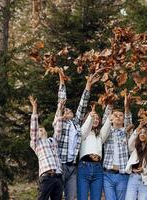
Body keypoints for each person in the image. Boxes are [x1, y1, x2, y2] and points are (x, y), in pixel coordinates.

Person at [53, 69, 99, 200]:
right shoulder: (59, 122)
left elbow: (83, 105)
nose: (69, 111)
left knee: (71, 196)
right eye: (66, 110)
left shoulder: (76, 124)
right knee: (56, 196)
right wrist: (62, 82)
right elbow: (61, 102)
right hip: (60, 165)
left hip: (72, 167)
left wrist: (88, 85)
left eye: (70, 110)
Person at [29, 96, 63, 200]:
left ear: (46, 132)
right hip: (46, 177)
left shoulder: (53, 141)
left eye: (42, 129)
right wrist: (34, 109)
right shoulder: (36, 143)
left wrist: (60, 110)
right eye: (39, 130)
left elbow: (58, 129)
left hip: (58, 176)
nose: (41, 131)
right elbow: (33, 129)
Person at [100, 91, 132, 200]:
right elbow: (105, 119)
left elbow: (128, 120)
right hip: (107, 174)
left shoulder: (127, 132)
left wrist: (126, 107)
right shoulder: (108, 131)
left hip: (122, 174)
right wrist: (110, 103)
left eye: (121, 115)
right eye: (116, 115)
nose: (118, 117)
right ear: (112, 118)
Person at [77, 104, 104, 200]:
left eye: (97, 118)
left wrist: (109, 111)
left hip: (98, 169)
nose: (95, 120)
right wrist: (90, 117)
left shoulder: (100, 135)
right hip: (84, 167)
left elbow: (108, 125)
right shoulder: (83, 133)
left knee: (96, 198)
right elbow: (85, 128)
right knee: (82, 197)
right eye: (94, 118)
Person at [125, 123, 147, 200]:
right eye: (140, 133)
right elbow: (130, 141)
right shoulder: (134, 149)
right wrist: (138, 128)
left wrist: (143, 170)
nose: (142, 135)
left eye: (145, 133)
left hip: (145, 180)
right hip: (133, 178)